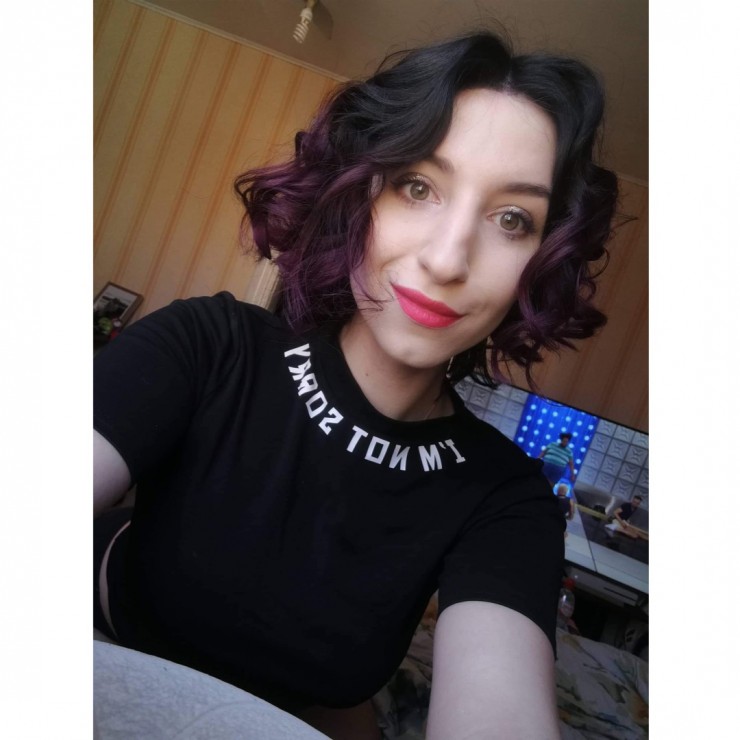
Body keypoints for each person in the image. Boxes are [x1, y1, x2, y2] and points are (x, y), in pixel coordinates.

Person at [94, 30, 618, 739]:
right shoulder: (209, 345)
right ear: (360, 195)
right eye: (418, 186)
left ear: (542, 260)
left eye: (511, 219)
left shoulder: (506, 500)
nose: (447, 259)